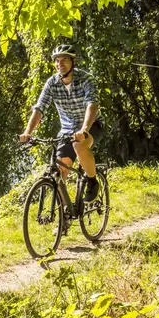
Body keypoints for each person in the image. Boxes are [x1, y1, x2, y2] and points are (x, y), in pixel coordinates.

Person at [19, 44, 103, 201]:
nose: (60, 64)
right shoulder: (52, 83)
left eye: (64, 60)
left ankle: (92, 182)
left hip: (92, 125)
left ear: (73, 62)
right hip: (67, 130)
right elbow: (39, 109)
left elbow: (92, 105)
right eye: (57, 61)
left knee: (79, 145)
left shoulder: (86, 80)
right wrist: (27, 132)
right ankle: (65, 215)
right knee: (60, 171)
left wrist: (84, 129)